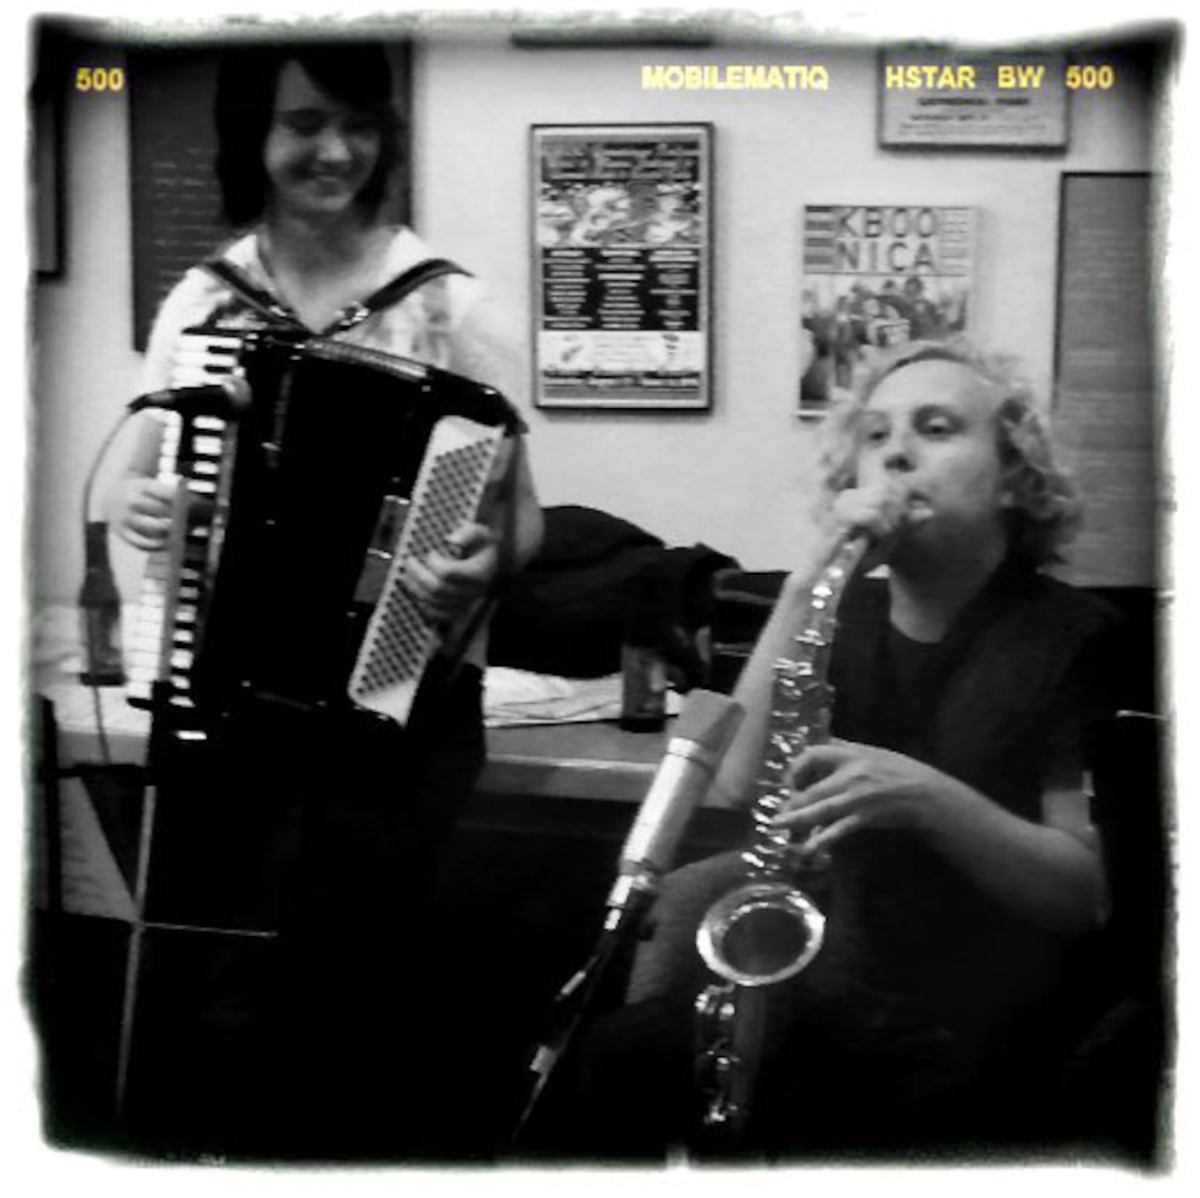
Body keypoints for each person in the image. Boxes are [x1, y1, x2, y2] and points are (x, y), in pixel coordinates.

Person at [105, 42, 543, 1158]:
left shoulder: (450, 306)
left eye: (358, 123)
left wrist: (480, 561)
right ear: (252, 136)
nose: (335, 150)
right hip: (227, 710)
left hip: (394, 716)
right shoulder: (205, 304)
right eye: (303, 124)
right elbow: (140, 482)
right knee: (220, 993)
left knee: (355, 999)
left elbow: (522, 517)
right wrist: (144, 512)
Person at [546, 339, 1117, 1160]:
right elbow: (740, 779)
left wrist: (928, 799)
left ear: (1014, 479)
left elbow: (1088, 895)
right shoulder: (842, 617)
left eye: (936, 428)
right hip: (844, 986)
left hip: (995, 1016)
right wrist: (805, 584)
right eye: (875, 435)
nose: (895, 453)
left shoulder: (1075, 638)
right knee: (613, 1060)